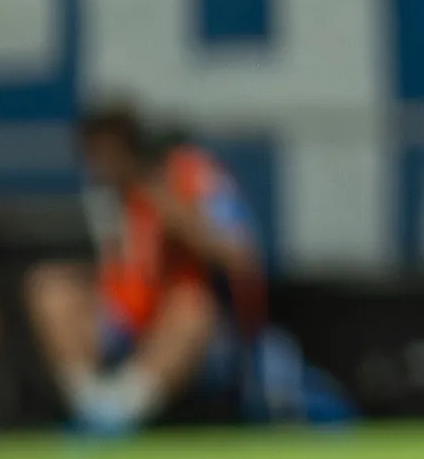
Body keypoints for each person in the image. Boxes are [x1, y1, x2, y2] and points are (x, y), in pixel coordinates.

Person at [25, 103, 259, 438]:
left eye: (109, 151)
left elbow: (241, 258)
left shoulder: (194, 176)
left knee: (191, 307)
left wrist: (179, 218)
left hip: (199, 340)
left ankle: (120, 415)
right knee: (50, 288)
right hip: (127, 324)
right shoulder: (109, 196)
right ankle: (91, 407)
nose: (101, 164)